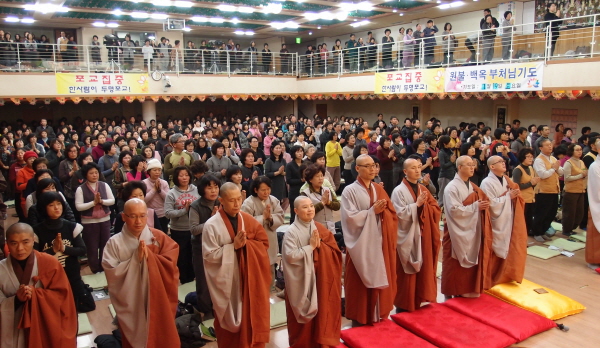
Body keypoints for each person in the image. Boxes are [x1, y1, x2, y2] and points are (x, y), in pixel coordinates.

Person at [103, 199, 180, 348]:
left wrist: (151, 258)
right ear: (123, 217)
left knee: (162, 334)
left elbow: (171, 260)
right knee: (134, 337)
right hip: (131, 299)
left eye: (142, 216)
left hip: (157, 295)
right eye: (133, 216)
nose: (138, 221)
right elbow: (112, 275)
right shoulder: (114, 243)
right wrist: (135, 260)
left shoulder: (157, 236)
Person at [202, 183, 271, 348]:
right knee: (230, 329)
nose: (237, 204)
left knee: (252, 316)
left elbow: (263, 243)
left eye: (239, 199)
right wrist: (233, 247)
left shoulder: (247, 219)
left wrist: (248, 246)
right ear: (221, 201)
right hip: (228, 282)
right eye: (231, 200)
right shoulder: (211, 225)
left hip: (249, 279)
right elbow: (209, 257)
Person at [341, 154, 398, 325]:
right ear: (357, 168)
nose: (372, 169)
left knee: (382, 275)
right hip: (360, 244)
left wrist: (383, 213)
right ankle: (359, 318)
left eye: (374, 165)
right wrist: (372, 212)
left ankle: (378, 314)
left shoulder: (378, 189)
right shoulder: (349, 190)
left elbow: (392, 214)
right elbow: (350, 219)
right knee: (359, 282)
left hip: (379, 242)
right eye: (367, 166)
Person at [0, 222, 77, 347]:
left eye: (25, 242)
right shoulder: (1, 269)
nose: (20, 248)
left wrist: (36, 294)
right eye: (14, 243)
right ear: (7, 243)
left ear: (33, 240)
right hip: (12, 329)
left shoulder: (49, 262)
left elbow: (63, 298)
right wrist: (17, 300)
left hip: (44, 325)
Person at [282, 196, 342, 348]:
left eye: (311, 206)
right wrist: (311, 247)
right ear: (295, 211)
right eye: (305, 207)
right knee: (303, 325)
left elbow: (334, 250)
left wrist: (321, 248)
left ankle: (320, 342)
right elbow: (290, 256)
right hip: (301, 282)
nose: (310, 209)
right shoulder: (291, 232)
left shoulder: (318, 227)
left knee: (321, 314)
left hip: (319, 279)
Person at [391, 158, 440, 312]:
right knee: (406, 275)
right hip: (407, 236)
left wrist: (424, 207)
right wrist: (417, 205)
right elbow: (398, 215)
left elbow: (435, 208)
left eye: (419, 167)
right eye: (413, 168)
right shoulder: (398, 191)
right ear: (405, 172)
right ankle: (403, 305)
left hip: (422, 234)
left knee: (423, 270)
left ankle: (418, 299)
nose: (418, 170)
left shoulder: (422, 189)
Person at [441, 156, 492, 298]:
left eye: (473, 165)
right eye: (468, 165)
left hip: (471, 228)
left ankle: (466, 289)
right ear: (459, 167)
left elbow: (483, 200)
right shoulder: (451, 187)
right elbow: (454, 211)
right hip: (455, 230)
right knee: (453, 263)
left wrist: (482, 205)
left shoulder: (473, 186)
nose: (472, 167)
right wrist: (476, 206)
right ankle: (451, 292)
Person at [33, 191, 93, 313]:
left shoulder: (71, 226)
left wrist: (64, 249)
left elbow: (82, 250)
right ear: (43, 208)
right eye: (51, 205)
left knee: (87, 305)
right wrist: (52, 250)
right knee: (55, 310)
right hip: (49, 277)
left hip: (72, 275)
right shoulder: (36, 230)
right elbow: (34, 257)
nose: (56, 208)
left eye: (59, 204)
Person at [480, 156, 527, 286]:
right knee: (494, 248)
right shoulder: (486, 182)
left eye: (503, 161)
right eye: (499, 162)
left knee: (510, 245)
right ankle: (491, 277)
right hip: (496, 220)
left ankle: (505, 275)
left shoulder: (506, 179)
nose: (503, 163)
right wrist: (508, 197)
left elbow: (513, 192)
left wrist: (514, 195)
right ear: (492, 166)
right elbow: (489, 203)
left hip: (507, 216)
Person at [241, 176, 284, 290]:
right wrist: (262, 218)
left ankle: (269, 290)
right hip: (255, 241)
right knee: (257, 268)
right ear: (256, 190)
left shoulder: (273, 200)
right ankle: (257, 291)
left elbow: (280, 216)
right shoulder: (248, 203)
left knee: (270, 266)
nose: (266, 192)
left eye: (268, 189)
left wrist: (270, 218)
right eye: (263, 190)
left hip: (270, 237)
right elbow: (245, 222)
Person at [189, 174, 221, 319]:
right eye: (209, 187)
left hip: (219, 245)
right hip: (201, 247)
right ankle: (206, 309)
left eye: (216, 187)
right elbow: (194, 229)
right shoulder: (196, 206)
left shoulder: (222, 202)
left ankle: (220, 305)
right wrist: (211, 219)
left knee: (220, 277)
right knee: (203, 280)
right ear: (202, 190)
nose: (214, 190)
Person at [75, 162, 115, 273]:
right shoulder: (81, 189)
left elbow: (112, 200)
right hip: (89, 222)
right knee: (92, 248)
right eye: (91, 173)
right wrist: (94, 203)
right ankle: (94, 269)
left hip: (105, 220)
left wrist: (101, 201)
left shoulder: (104, 185)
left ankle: (104, 267)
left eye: (96, 172)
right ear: (86, 175)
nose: (94, 175)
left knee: (105, 246)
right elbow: (78, 207)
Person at [165, 166, 200, 284]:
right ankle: (185, 281)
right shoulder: (171, 193)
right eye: (181, 175)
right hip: (179, 230)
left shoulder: (196, 190)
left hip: (195, 228)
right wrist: (185, 210)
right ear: (176, 177)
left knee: (195, 256)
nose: (184, 178)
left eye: (186, 175)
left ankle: (194, 279)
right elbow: (168, 213)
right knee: (183, 258)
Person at [532, 139, 563, 242]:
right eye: (547, 145)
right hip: (543, 191)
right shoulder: (539, 160)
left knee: (551, 213)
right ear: (541, 148)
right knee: (541, 213)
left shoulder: (553, 158)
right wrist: (554, 169)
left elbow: (561, 172)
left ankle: (543, 231)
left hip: (554, 190)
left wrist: (557, 168)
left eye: (550, 145)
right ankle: (537, 232)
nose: (550, 147)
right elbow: (543, 175)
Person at [301, 164, 340, 234]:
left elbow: (337, 206)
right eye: (317, 176)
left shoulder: (327, 190)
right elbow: (306, 212)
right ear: (310, 179)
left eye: (322, 176)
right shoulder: (305, 193)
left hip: (330, 229)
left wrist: (328, 202)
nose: (321, 178)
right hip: (315, 230)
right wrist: (322, 203)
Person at [512, 148, 540, 236]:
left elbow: (532, 184)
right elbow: (516, 186)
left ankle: (525, 239)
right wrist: (530, 183)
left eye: (532, 157)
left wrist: (534, 183)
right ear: (522, 157)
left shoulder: (531, 168)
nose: (530, 159)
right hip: (522, 199)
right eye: (528, 157)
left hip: (531, 199)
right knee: (521, 222)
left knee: (529, 221)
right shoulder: (518, 170)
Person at [562, 144, 587, 237]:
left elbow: (584, 172)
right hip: (570, 191)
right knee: (569, 213)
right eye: (577, 150)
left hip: (581, 190)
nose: (579, 151)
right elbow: (567, 178)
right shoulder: (568, 163)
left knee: (579, 212)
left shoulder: (581, 162)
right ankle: (566, 230)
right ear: (572, 151)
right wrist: (581, 176)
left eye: (580, 150)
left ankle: (572, 228)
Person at [143, 158, 170, 233]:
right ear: (149, 171)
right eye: (154, 170)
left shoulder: (164, 183)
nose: (157, 172)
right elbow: (143, 200)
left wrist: (160, 190)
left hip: (163, 214)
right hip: (149, 214)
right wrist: (154, 190)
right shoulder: (144, 183)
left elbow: (168, 198)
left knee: (163, 235)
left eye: (159, 170)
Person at [586, 137, 600, 270]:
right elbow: (597, 188)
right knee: (595, 234)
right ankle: (593, 260)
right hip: (598, 203)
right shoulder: (594, 166)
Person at [286, 145, 305, 223]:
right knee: (294, 214)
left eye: (301, 151)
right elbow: (289, 180)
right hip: (294, 192)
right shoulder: (290, 165)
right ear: (293, 153)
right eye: (297, 152)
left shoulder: (306, 163)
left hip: (305, 191)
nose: (300, 153)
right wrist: (301, 180)